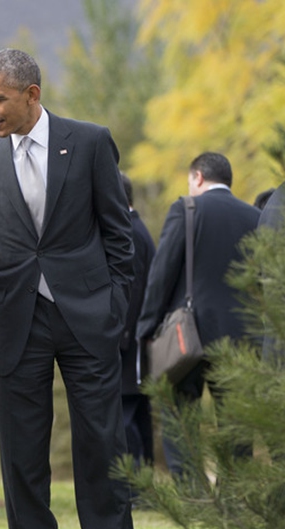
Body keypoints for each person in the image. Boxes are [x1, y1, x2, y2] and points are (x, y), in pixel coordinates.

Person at [0, 48, 155, 529]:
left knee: (103, 451)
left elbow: (120, 234)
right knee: (23, 459)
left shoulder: (91, 142)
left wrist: (114, 308)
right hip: (18, 321)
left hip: (88, 319)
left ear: (32, 94)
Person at [136, 152, 260, 476]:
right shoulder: (254, 216)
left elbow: (161, 273)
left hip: (188, 335)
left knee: (181, 420)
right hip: (241, 337)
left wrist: (147, 327)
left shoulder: (187, 209)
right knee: (236, 426)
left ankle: (192, 497)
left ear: (198, 178)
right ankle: (235, 499)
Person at [118, 172, 155, 469]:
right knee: (137, 412)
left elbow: (134, 288)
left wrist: (122, 335)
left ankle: (136, 489)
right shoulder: (136, 228)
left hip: (128, 341)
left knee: (125, 414)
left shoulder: (128, 232)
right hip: (136, 339)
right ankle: (143, 486)